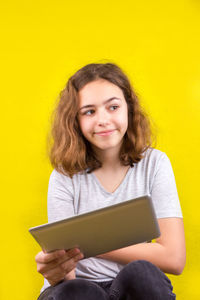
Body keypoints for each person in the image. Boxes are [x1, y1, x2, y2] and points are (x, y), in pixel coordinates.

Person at [35, 62, 186, 300]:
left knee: (143, 273)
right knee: (78, 292)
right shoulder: (64, 176)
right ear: (75, 120)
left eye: (113, 107)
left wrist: (90, 243)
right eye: (89, 111)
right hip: (78, 288)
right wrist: (56, 270)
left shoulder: (155, 163)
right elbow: (67, 276)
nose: (103, 120)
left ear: (129, 109)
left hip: (130, 287)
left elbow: (174, 258)